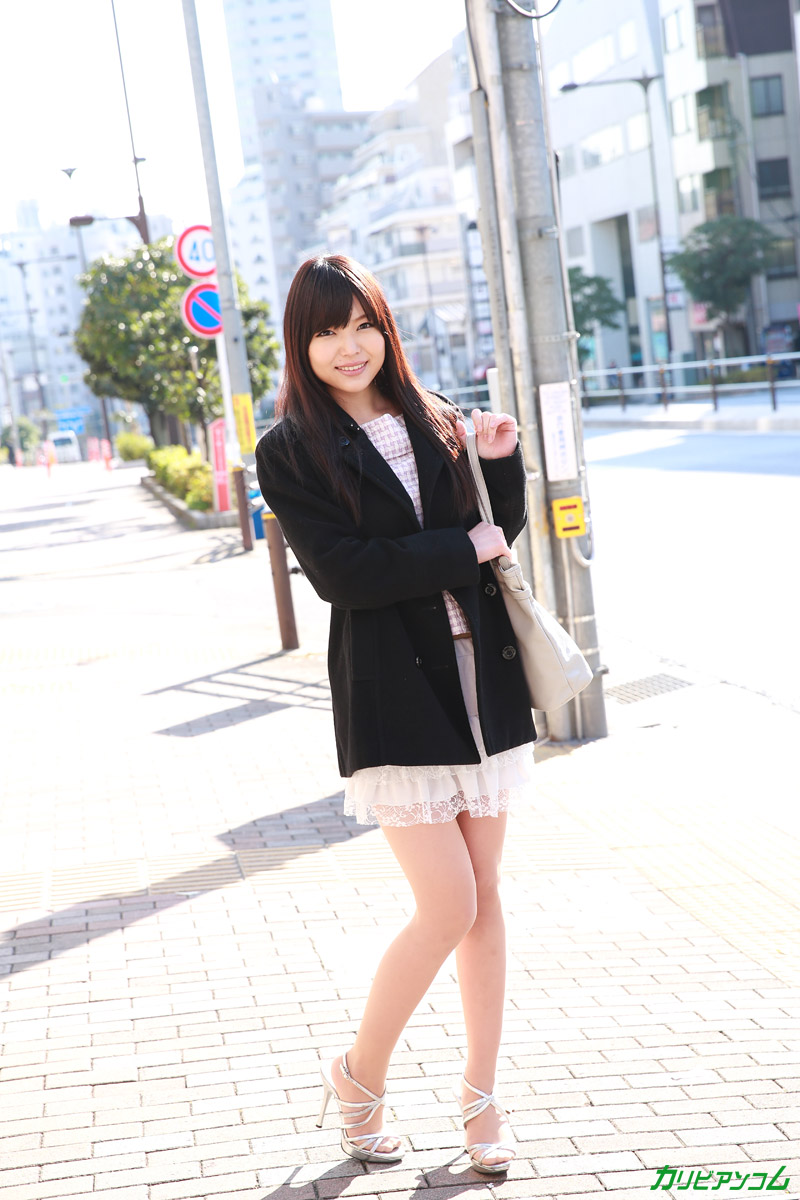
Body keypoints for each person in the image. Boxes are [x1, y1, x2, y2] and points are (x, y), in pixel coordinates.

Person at [255, 255, 536, 1175]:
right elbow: (343, 576)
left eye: (363, 325)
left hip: (482, 676)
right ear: (302, 344)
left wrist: (502, 462)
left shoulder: (439, 418)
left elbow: (497, 534)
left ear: (386, 328)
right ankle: (357, 1075)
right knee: (448, 903)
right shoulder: (290, 450)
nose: (350, 346)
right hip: (394, 690)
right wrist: (462, 545)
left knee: (485, 900)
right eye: (327, 331)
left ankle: (482, 1100)